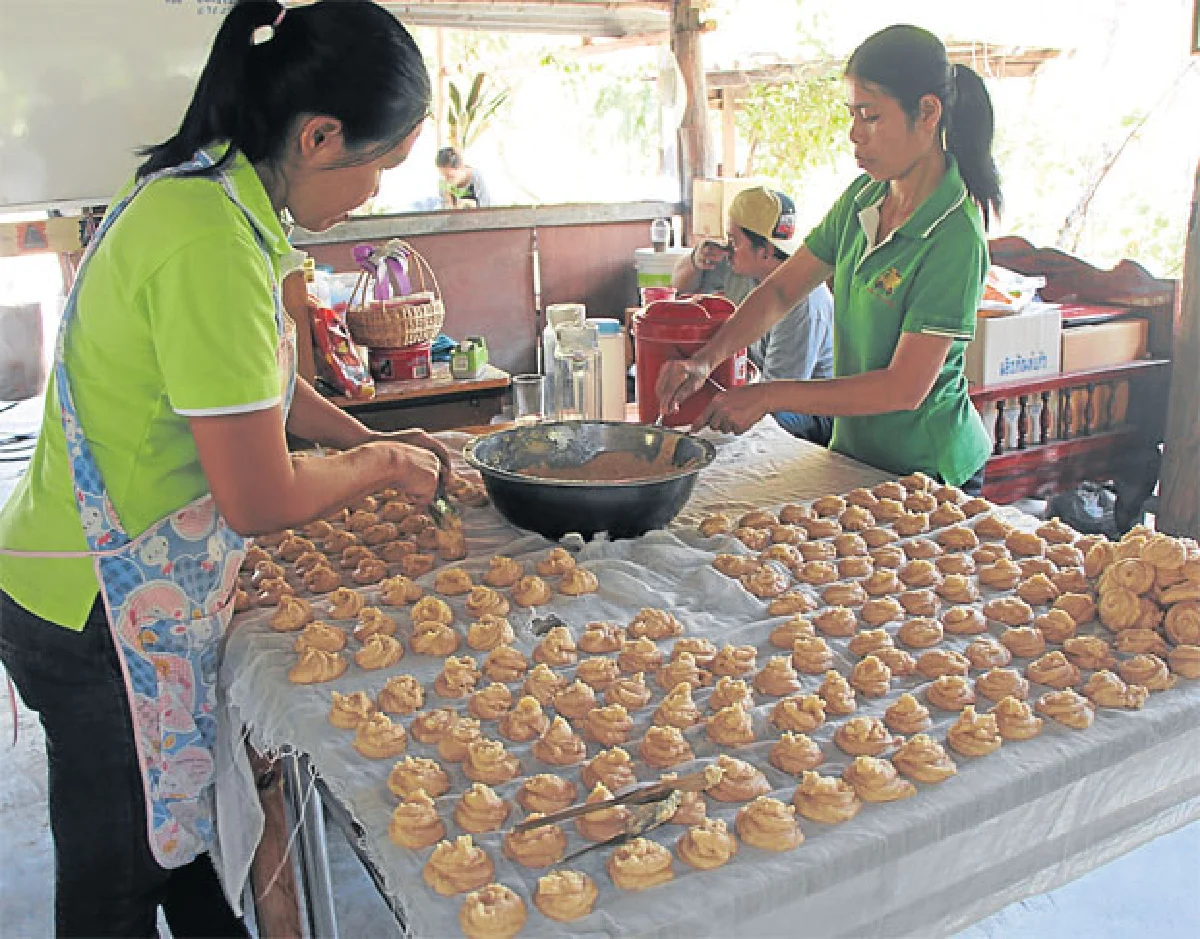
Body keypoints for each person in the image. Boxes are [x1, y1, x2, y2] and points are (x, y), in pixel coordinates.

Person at [0, 2, 444, 934]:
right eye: (378, 166)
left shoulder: (216, 195)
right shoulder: (206, 240)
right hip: (93, 607)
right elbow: (258, 495)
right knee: (117, 879)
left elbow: (258, 391)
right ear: (320, 136)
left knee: (189, 845)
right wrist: (385, 467)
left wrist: (358, 441)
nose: (371, 195)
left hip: (129, 587)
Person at [656, 24, 1000, 493]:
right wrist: (705, 359)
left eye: (871, 116)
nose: (854, 134)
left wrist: (769, 395)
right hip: (859, 456)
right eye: (851, 114)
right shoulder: (864, 199)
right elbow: (780, 289)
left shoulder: (954, 233)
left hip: (931, 470)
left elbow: (903, 388)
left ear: (927, 112)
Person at [671, 186, 834, 444]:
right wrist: (695, 259)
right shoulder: (741, 267)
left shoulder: (804, 303)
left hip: (810, 411)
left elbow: (776, 394)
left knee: (729, 434)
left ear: (766, 250)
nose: (727, 249)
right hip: (767, 391)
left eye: (734, 240)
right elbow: (679, 284)